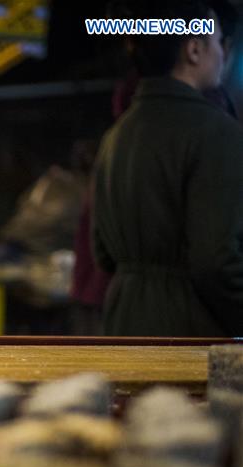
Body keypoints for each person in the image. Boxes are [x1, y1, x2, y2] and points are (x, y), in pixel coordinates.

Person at [92, 0, 243, 336]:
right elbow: (216, 262)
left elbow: (102, 254)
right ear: (194, 49)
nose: (222, 53)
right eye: (218, 41)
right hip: (187, 334)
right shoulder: (218, 132)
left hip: (121, 326)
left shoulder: (117, 135)